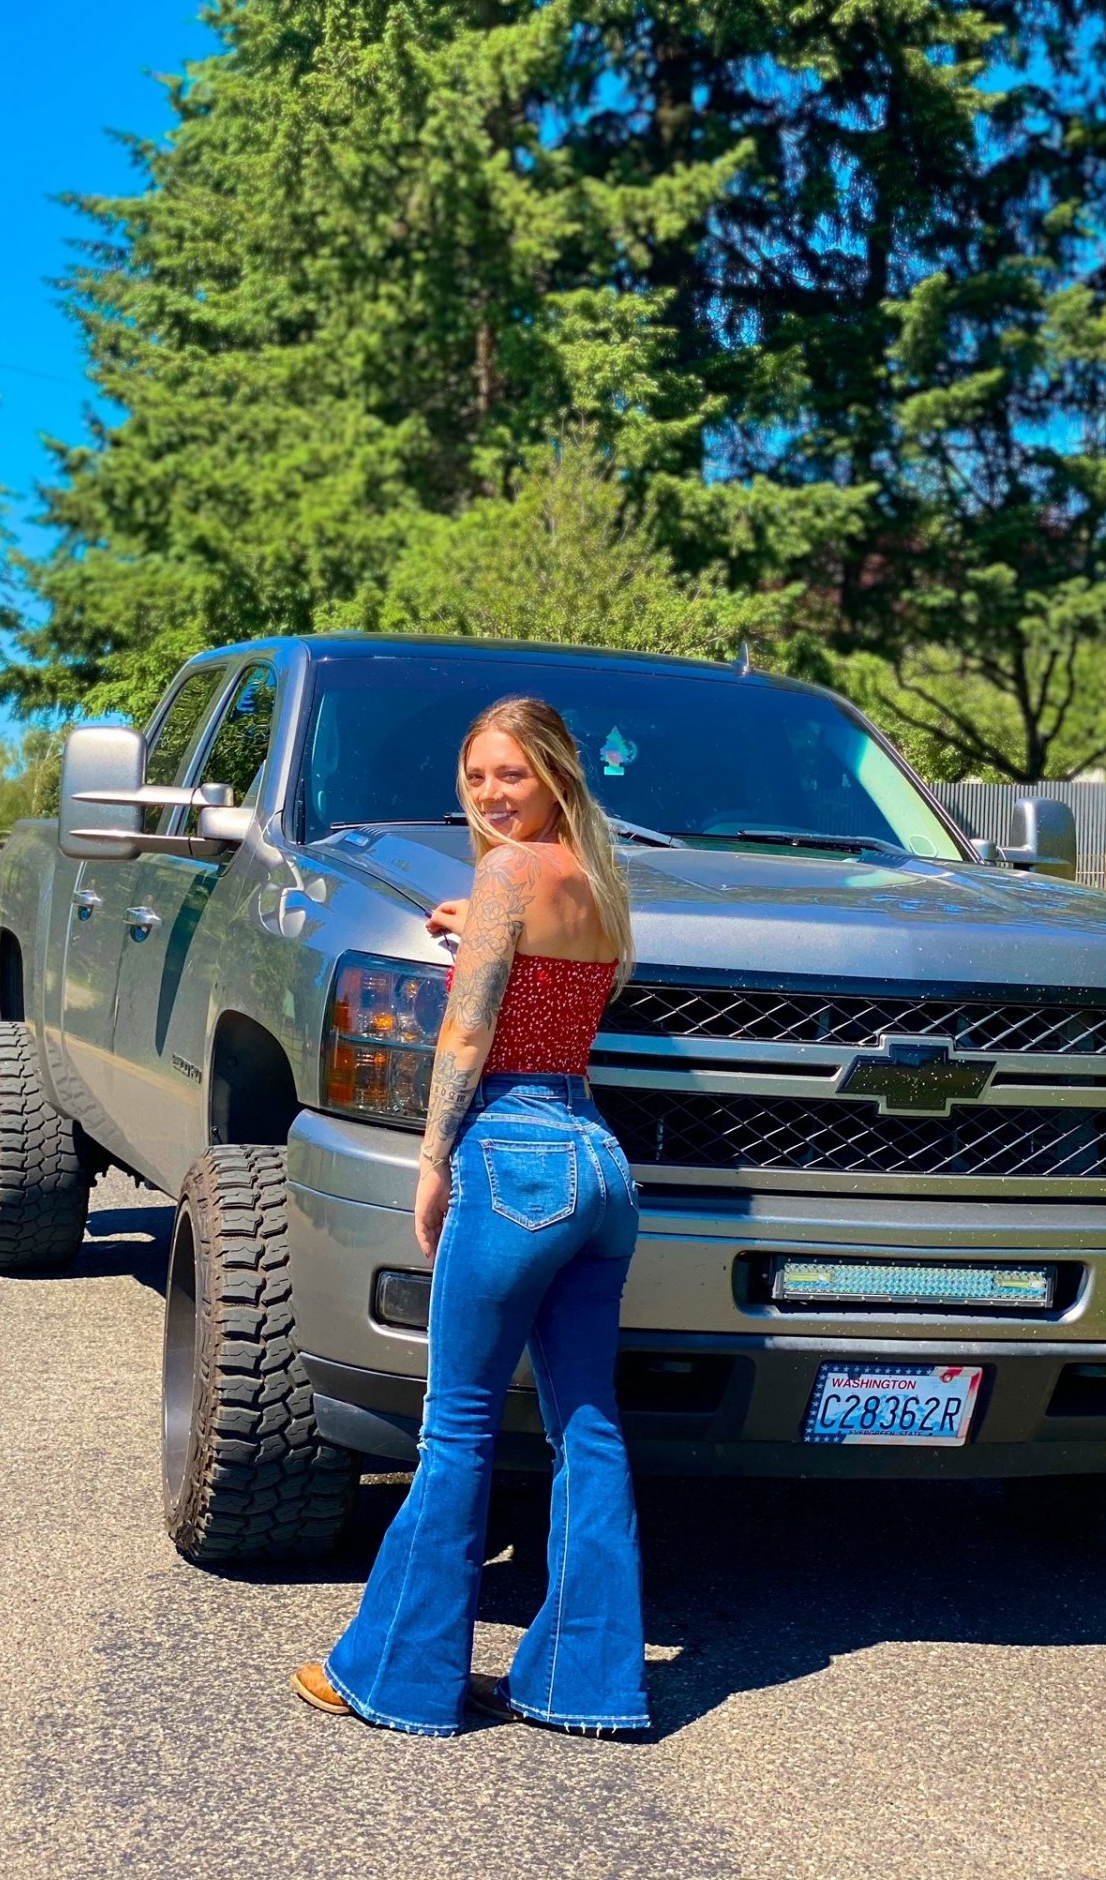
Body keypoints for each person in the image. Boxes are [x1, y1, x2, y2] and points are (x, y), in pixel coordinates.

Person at [291, 695, 649, 1737]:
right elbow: (543, 985)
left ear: (556, 777)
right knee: (590, 1428)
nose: (491, 795)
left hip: (514, 1154)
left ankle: (397, 1678)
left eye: (512, 776)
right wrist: (476, 926)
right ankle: (582, 1686)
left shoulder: (505, 876)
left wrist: (433, 1158)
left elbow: (469, 1031)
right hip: (599, 1162)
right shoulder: (600, 884)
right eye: (477, 777)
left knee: (455, 1429)